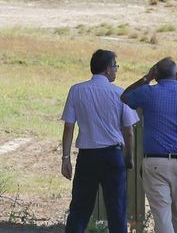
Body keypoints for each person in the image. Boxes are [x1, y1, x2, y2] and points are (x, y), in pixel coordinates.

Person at [122, 57, 177, 233]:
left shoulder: (148, 92)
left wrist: (146, 79)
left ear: (156, 76)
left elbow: (124, 97)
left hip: (155, 162)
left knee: (162, 215)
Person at [62, 49, 138, 233]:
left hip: (87, 156)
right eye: (115, 66)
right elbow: (128, 131)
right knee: (117, 209)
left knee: (80, 208)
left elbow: (69, 127)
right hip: (112, 156)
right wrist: (129, 157)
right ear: (107, 69)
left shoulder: (76, 90)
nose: (116, 70)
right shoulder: (120, 94)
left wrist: (65, 158)